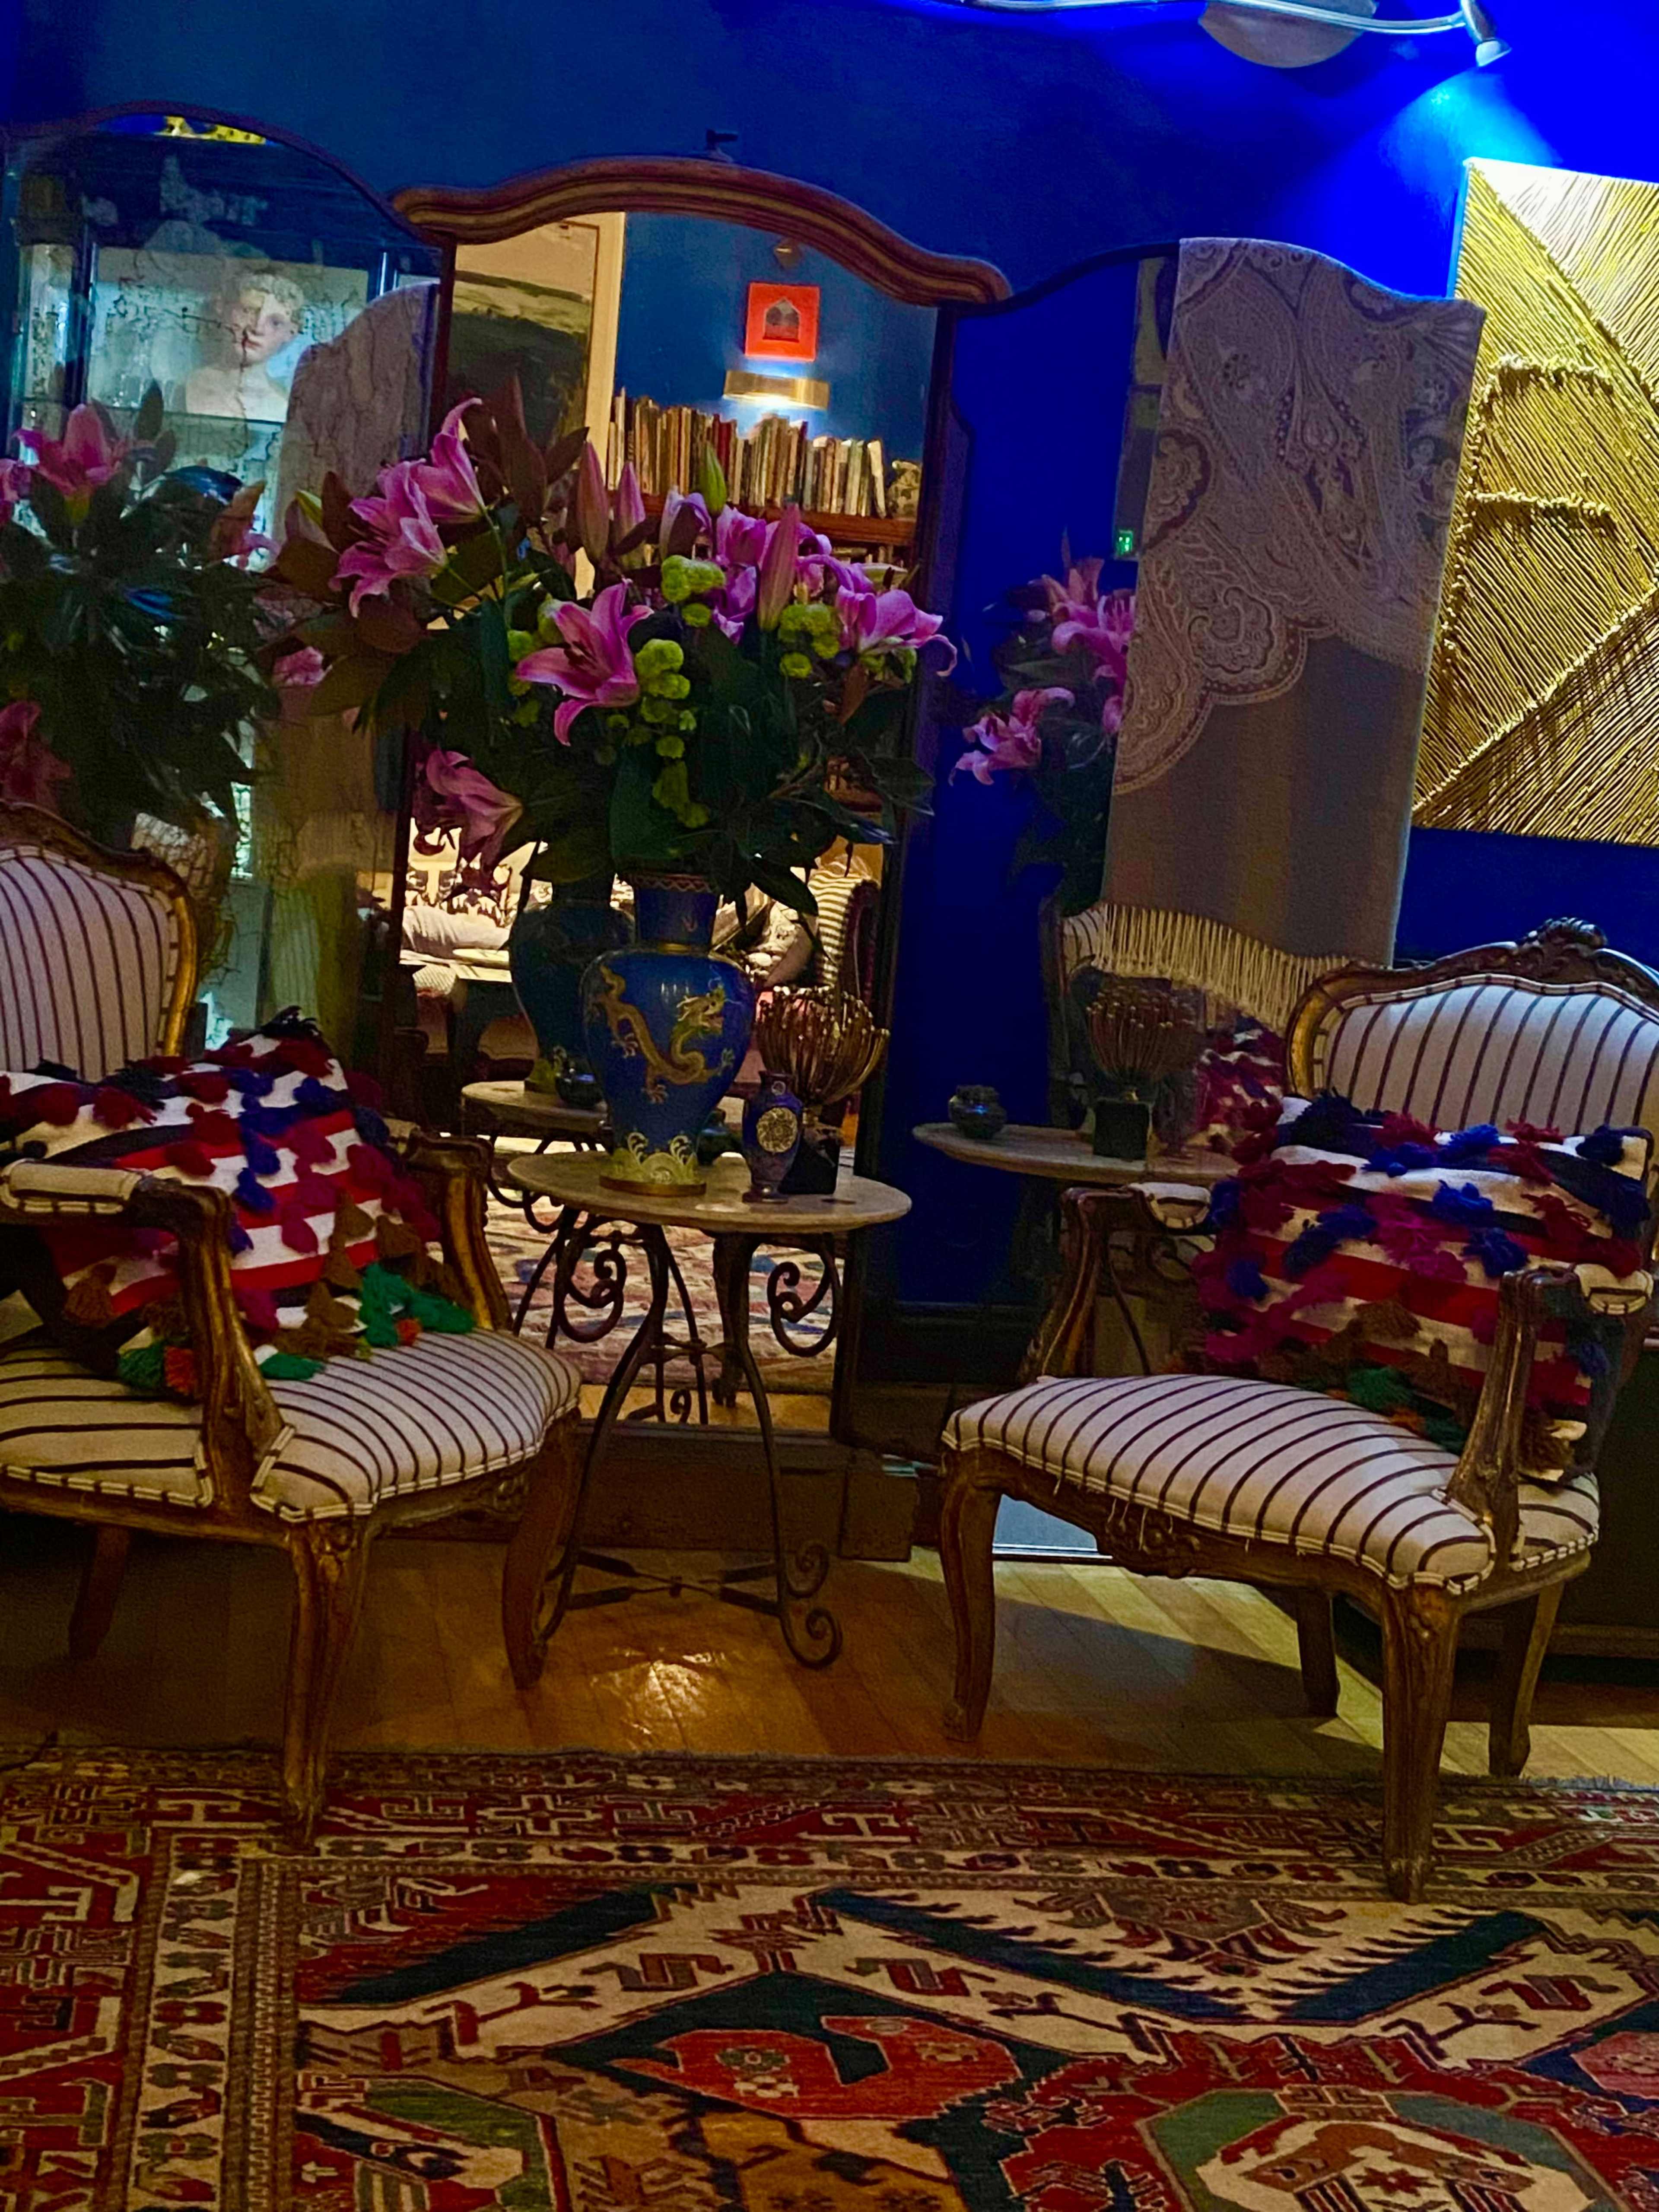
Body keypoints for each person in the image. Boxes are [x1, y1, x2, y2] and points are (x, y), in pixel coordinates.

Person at [185, 270, 307, 423]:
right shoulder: (188, 386)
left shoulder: (283, 406)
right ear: (224, 310)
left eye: (276, 323)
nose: (257, 328)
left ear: (291, 333)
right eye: (248, 311)